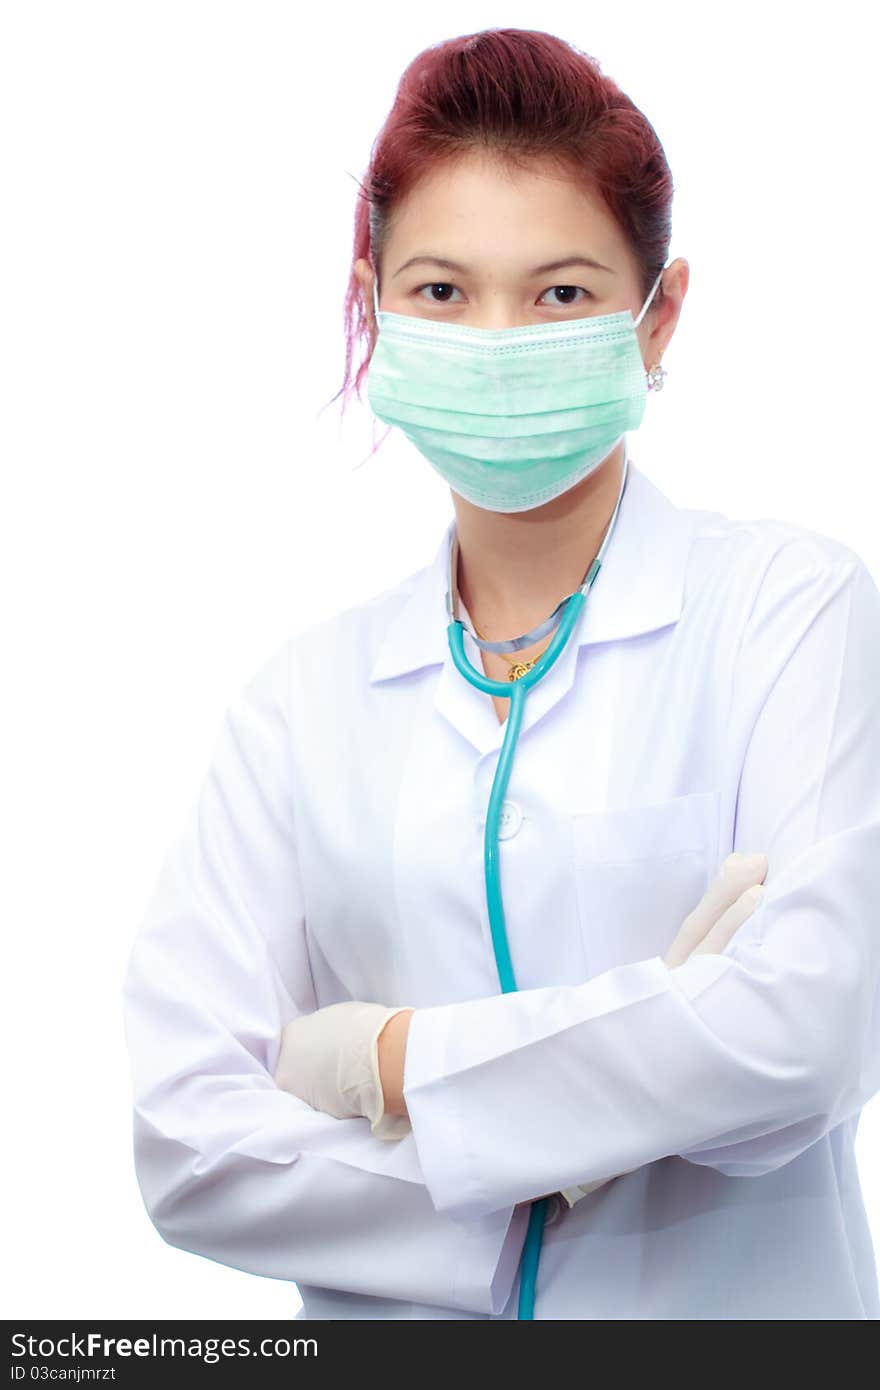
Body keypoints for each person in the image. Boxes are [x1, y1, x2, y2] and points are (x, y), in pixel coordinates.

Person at [122, 28, 880, 1320]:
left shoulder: (788, 614)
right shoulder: (300, 704)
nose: (497, 335)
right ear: (374, 305)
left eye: (562, 294)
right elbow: (187, 1139)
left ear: (662, 315)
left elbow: (807, 1032)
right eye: (442, 292)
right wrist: (583, 1139)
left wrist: (396, 1060)